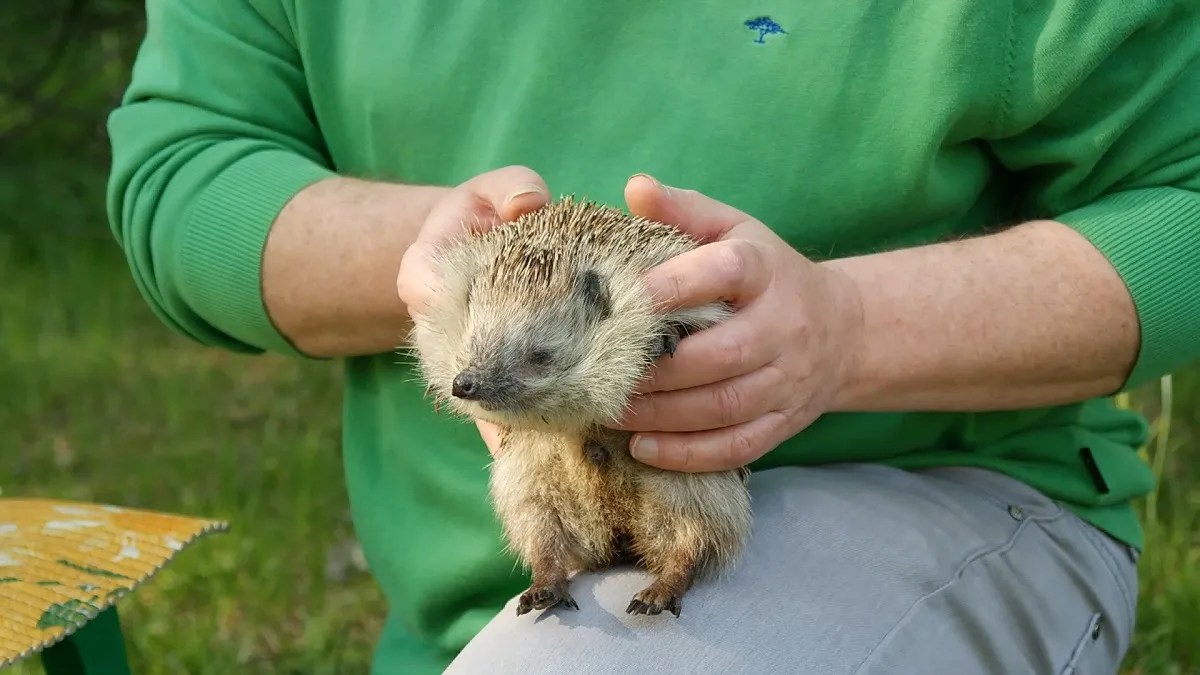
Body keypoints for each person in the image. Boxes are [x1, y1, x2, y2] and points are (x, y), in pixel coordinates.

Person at [105, 1, 1199, 673]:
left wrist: (850, 330)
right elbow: (187, 172)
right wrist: (442, 259)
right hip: (482, 609)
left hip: (929, 492)